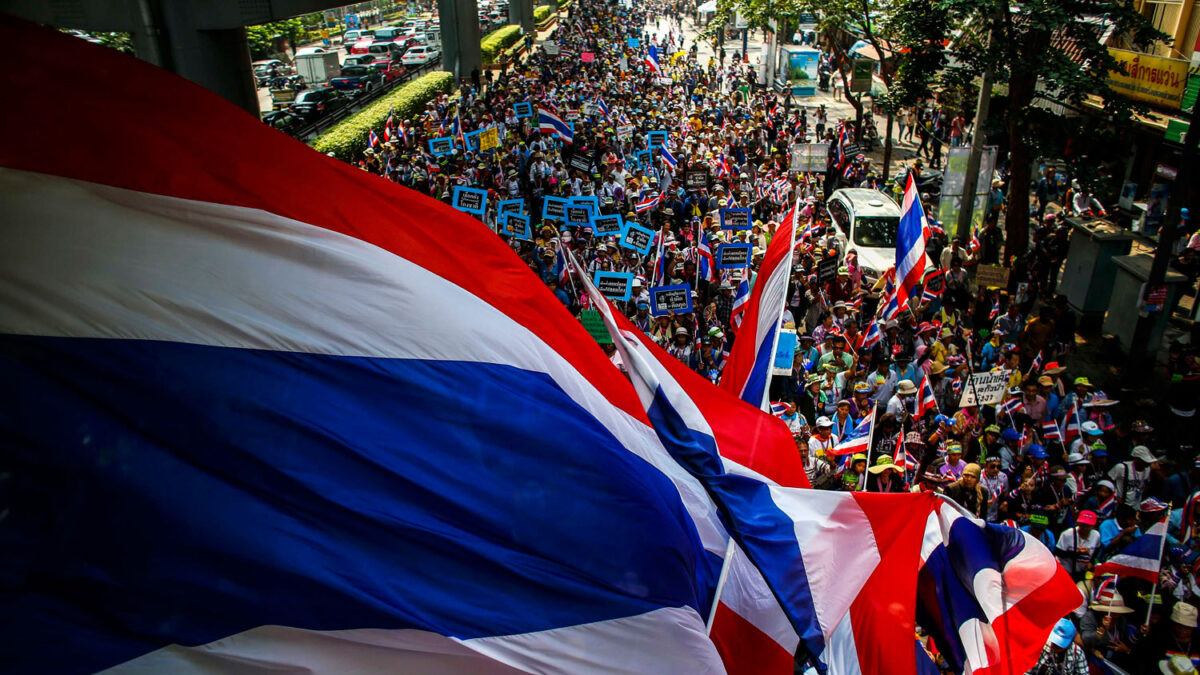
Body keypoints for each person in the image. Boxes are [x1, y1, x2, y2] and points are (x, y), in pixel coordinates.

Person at [1055, 510, 1101, 579]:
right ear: (1078, 523)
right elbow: (1058, 552)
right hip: (1066, 572)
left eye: (1088, 525)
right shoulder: (1067, 534)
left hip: (1082, 572)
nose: (1085, 528)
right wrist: (1076, 552)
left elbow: (1097, 550)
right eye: (1082, 524)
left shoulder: (1096, 535)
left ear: (1093, 526)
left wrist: (1091, 562)